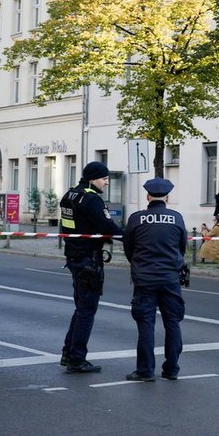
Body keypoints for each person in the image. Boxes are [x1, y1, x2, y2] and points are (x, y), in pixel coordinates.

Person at [59, 161, 123, 374]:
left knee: (81, 308)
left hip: (74, 256)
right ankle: (77, 358)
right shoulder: (92, 199)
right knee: (87, 310)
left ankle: (69, 354)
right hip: (88, 259)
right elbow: (108, 227)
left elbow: (69, 227)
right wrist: (132, 237)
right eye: (104, 178)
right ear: (93, 178)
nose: (106, 182)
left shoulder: (70, 196)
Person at [123, 178, 187, 381]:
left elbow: (128, 249)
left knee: (146, 325)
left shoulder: (136, 219)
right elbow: (182, 248)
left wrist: (139, 264)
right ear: (167, 197)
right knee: (173, 323)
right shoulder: (176, 218)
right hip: (170, 279)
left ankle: (145, 370)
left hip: (144, 279)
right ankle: (171, 369)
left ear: (147, 196)